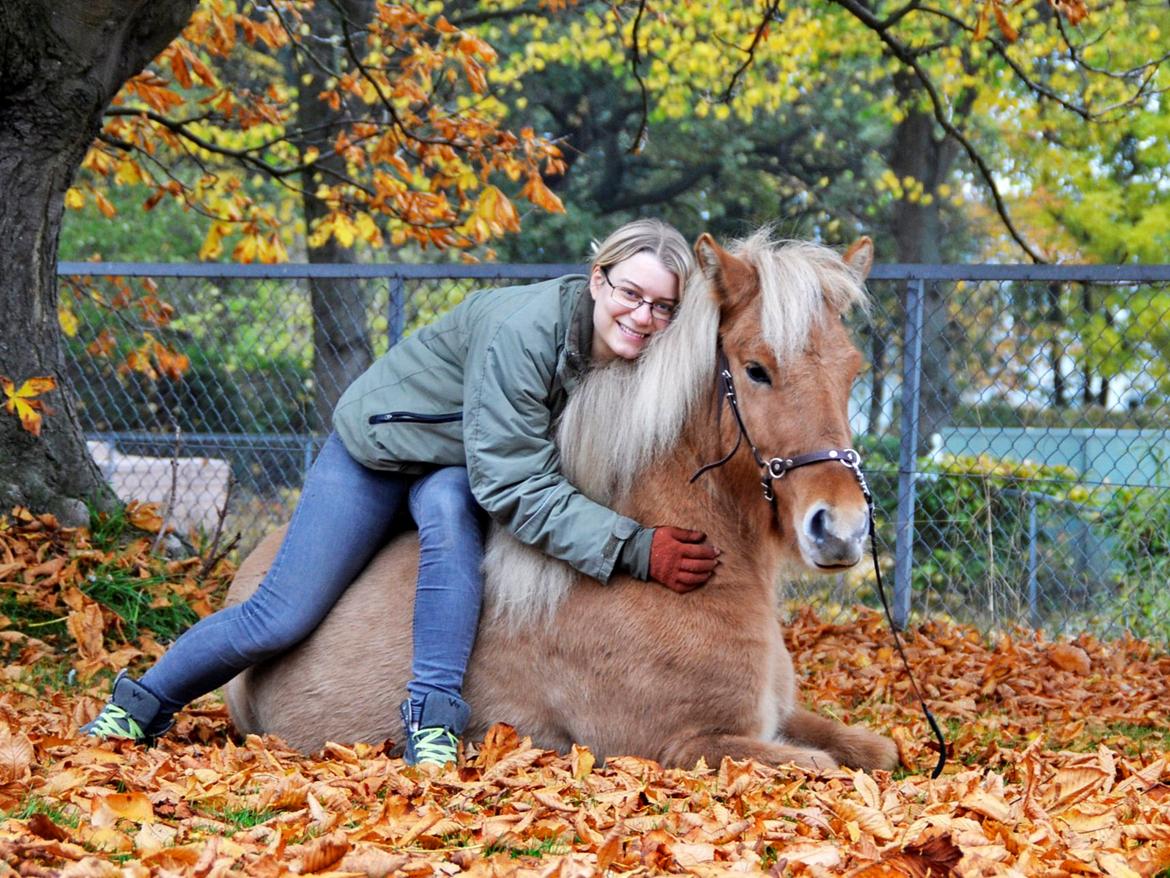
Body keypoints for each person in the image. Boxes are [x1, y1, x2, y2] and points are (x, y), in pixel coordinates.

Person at [81, 219, 721, 766]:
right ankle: (137, 707)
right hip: (379, 453)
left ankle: (432, 724)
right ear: (596, 277)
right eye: (631, 293)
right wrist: (634, 546)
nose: (644, 315)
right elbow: (513, 482)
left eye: (663, 307)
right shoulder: (526, 331)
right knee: (283, 612)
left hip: (455, 463)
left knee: (450, 520)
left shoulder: (623, 350)